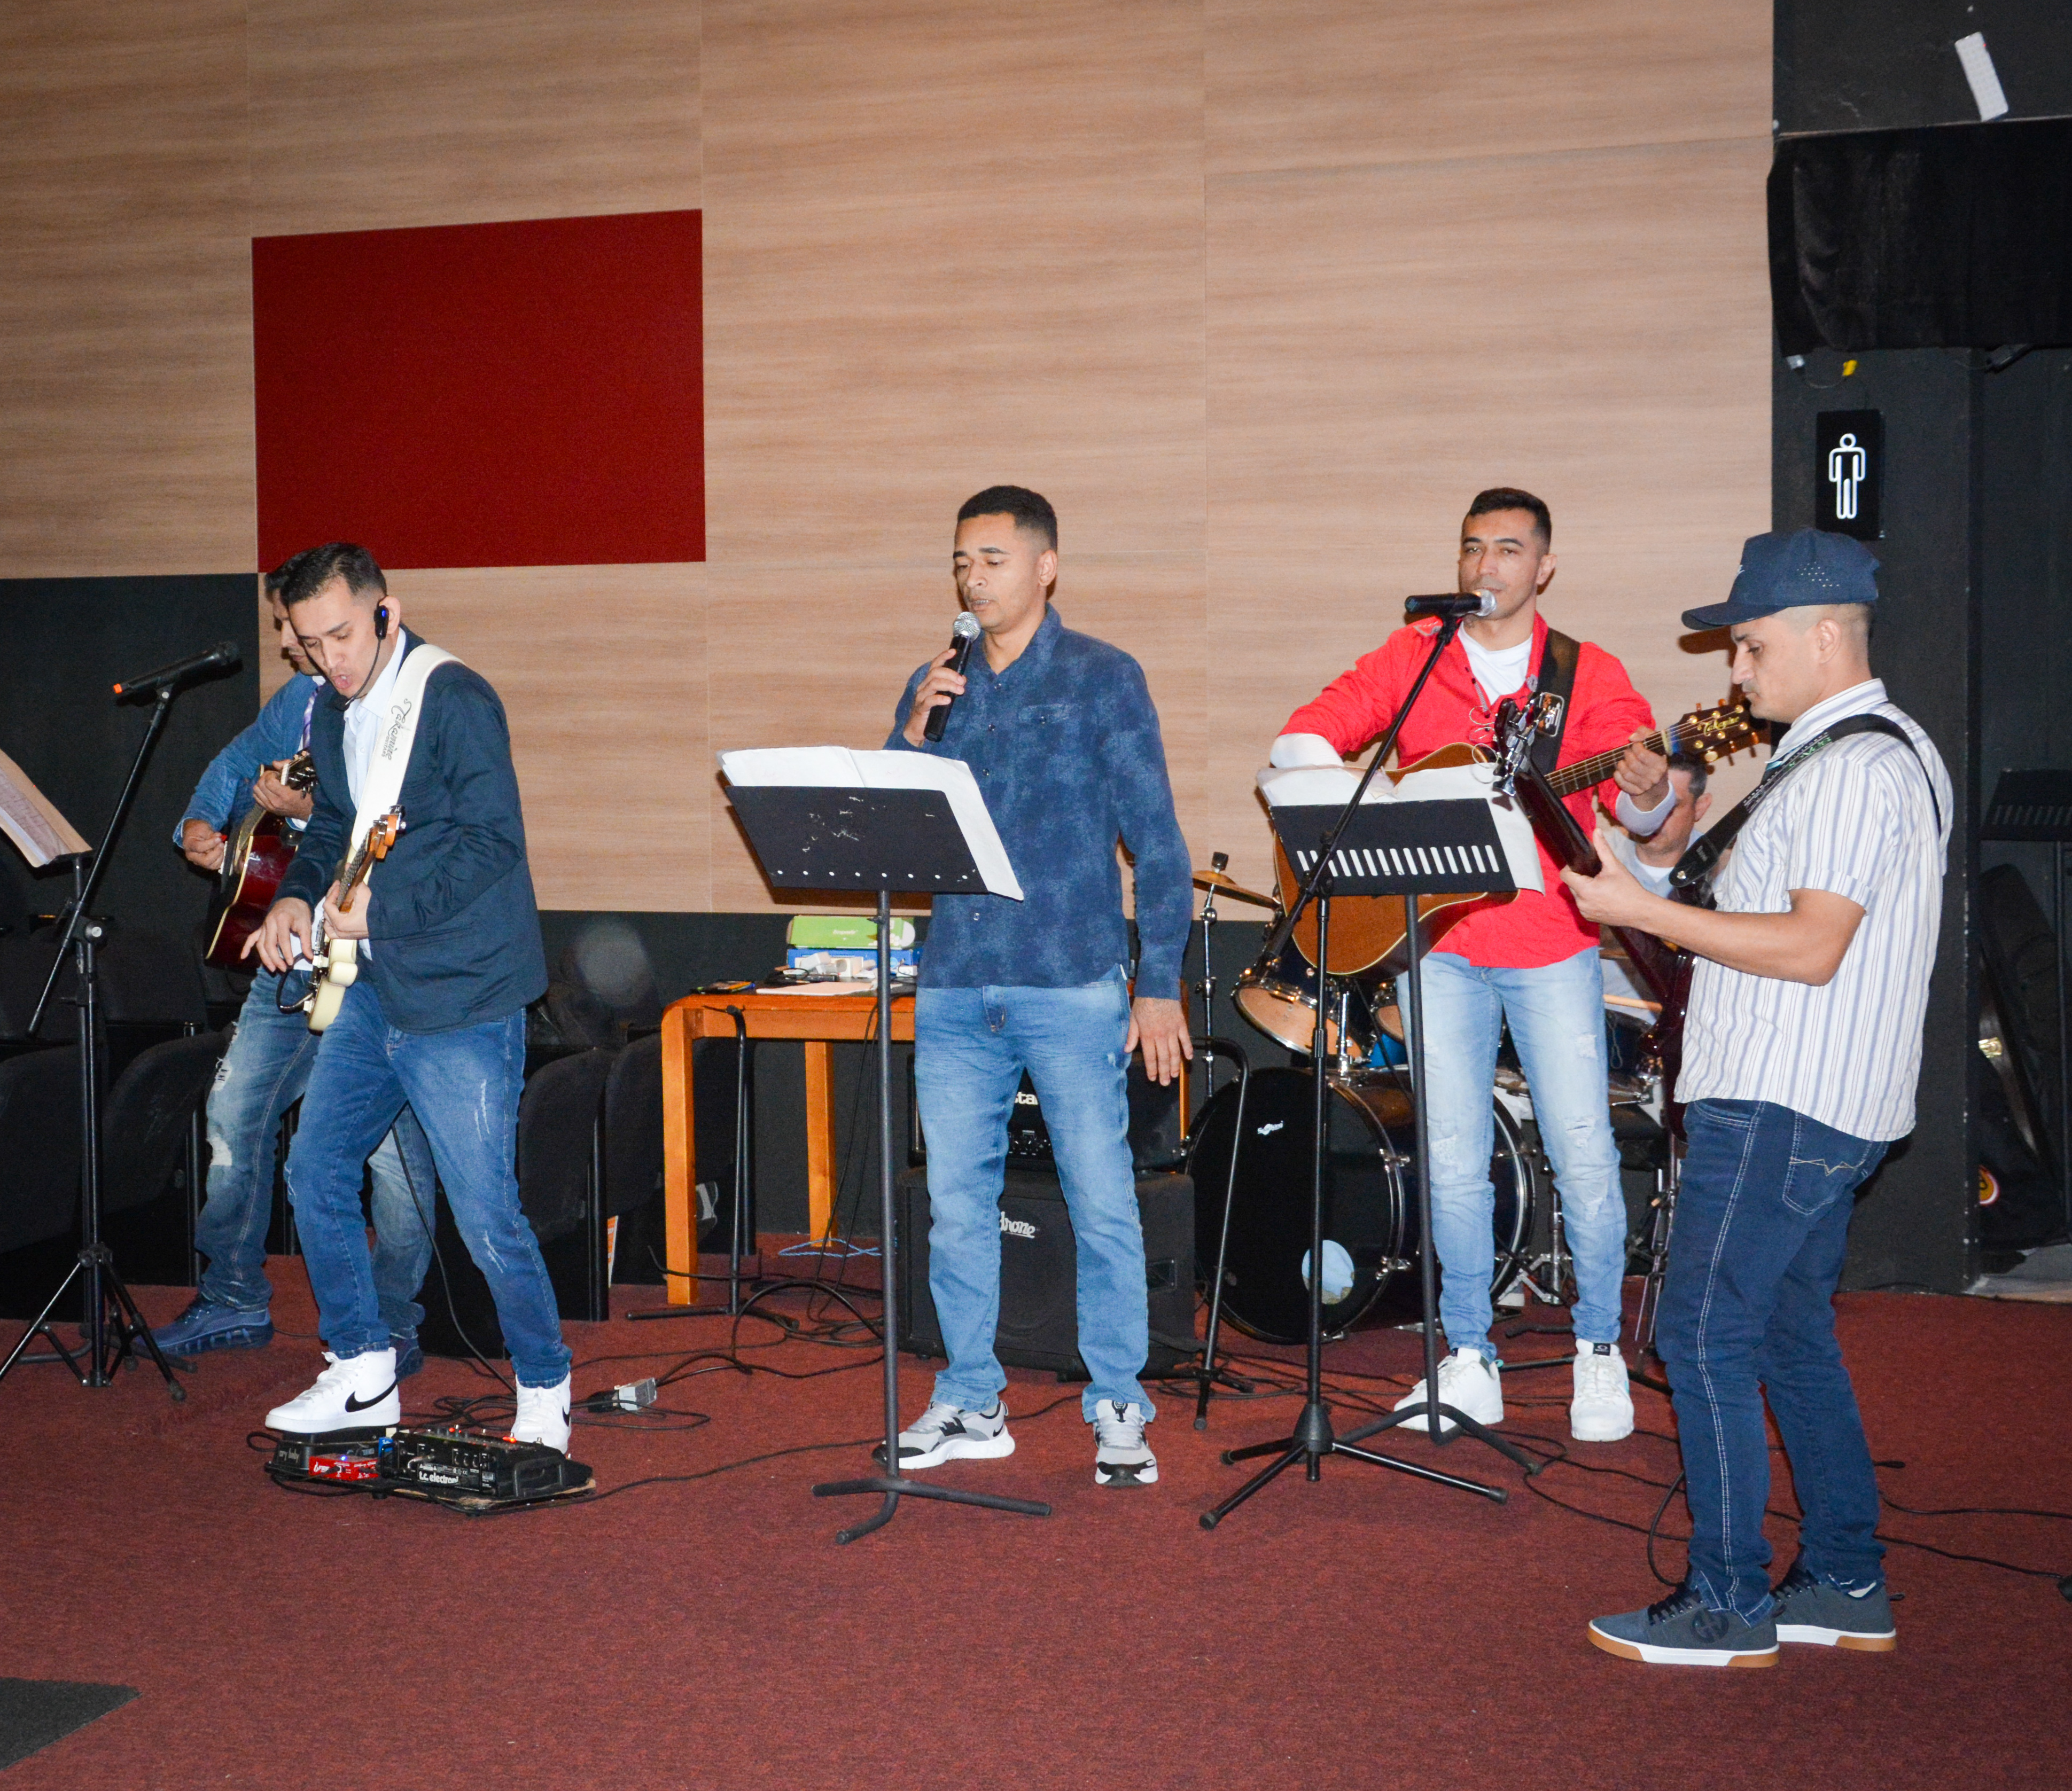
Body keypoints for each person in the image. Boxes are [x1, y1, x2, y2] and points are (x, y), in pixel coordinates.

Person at [1565, 529, 1949, 1667]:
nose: (1735, 672)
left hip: (1783, 1100)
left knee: (1699, 1335)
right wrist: (1637, 879)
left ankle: (1726, 1602)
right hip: (1820, 1102)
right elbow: (1758, 918)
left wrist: (1639, 914)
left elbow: (1809, 947)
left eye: (1750, 645)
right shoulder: (1866, 753)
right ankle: (1842, 1578)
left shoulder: (1849, 770)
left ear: (1824, 637)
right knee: (1786, 1334)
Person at [1272, 488, 1673, 1443]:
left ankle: (1596, 1348)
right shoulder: (1415, 657)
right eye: (1471, 548)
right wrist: (1367, 797)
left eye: (1507, 549)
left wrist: (1650, 787)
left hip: (1550, 946)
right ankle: (1466, 1354)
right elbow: (1299, 739)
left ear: (1543, 567)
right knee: (1452, 1160)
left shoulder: (1585, 673)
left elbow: (1643, 813)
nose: (1485, 565)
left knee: (1581, 1152)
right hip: (1436, 947)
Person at [884, 486, 1193, 1488]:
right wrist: (912, 734)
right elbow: (893, 824)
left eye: (993, 559)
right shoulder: (937, 683)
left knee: (1101, 1202)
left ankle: (1119, 1403)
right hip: (955, 986)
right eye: (961, 561)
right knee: (955, 1208)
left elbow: (1157, 842)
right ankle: (971, 1397)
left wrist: (1158, 982)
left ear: (1045, 566)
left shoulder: (1103, 677)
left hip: (1069, 983)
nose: (973, 577)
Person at [249, 543, 572, 1445]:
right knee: (315, 1169)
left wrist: (379, 912)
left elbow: (492, 842)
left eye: (343, 635)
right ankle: (363, 1366)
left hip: (464, 996)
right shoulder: (330, 707)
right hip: (373, 990)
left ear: (386, 611)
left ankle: (545, 1385)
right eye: (310, 643)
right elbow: (334, 828)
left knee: (485, 1214)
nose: (330, 659)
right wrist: (296, 895)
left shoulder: (454, 698)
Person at [152, 554, 437, 1372]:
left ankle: (392, 1325)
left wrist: (317, 809)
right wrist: (201, 822)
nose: (297, 645)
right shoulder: (302, 702)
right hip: (292, 955)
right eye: (294, 630)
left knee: (393, 1163)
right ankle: (234, 1296)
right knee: (234, 1116)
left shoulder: (418, 701)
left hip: (380, 967)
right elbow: (235, 763)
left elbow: (419, 831)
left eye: (309, 631)